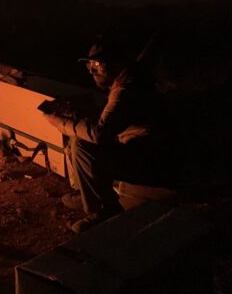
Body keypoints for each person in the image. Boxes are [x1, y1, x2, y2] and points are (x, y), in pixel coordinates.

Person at [41, 37, 167, 233]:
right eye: (90, 64)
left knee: (82, 143)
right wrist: (75, 114)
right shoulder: (127, 80)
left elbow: (100, 134)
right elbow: (111, 118)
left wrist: (59, 122)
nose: (91, 70)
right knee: (78, 131)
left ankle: (103, 211)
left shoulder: (125, 90)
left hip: (146, 158)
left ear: (116, 64)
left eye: (97, 64)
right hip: (138, 147)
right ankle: (85, 194)